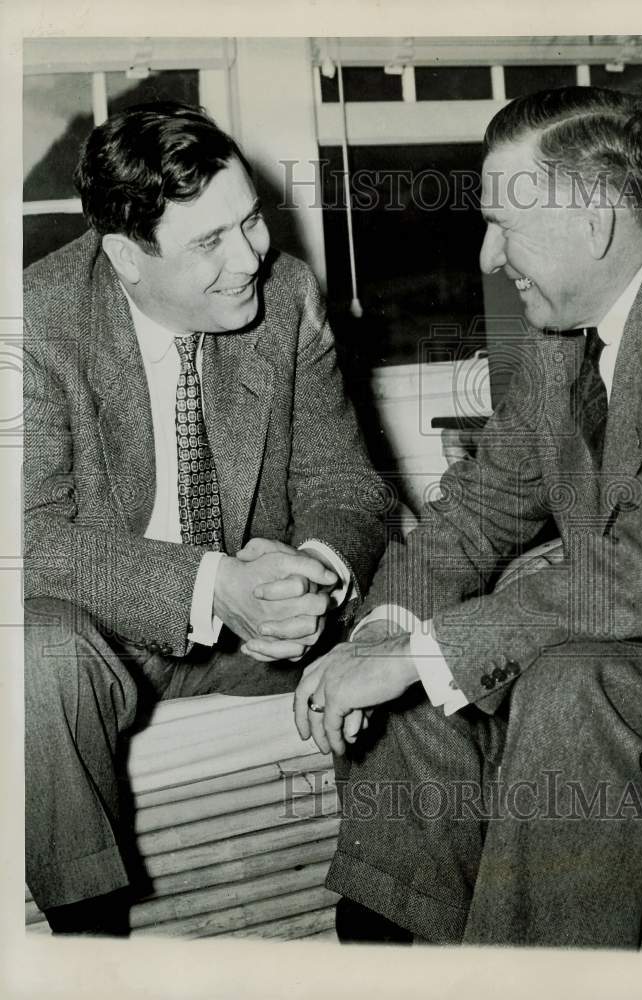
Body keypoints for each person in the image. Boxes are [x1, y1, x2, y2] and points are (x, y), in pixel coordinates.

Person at [292, 87, 642, 948]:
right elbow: (481, 509)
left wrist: (426, 653)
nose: (490, 257)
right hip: (615, 645)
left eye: (506, 224)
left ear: (596, 221)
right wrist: (387, 635)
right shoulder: (558, 339)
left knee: (570, 684)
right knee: (413, 685)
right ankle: (378, 955)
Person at [23, 102, 385, 935]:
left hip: (263, 639)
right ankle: (90, 951)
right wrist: (217, 587)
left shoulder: (289, 293)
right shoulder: (33, 323)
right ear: (124, 256)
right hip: (105, 643)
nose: (250, 258)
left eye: (250, 221)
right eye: (209, 242)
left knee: (420, 589)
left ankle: (386, 932)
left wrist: (311, 575)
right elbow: (25, 539)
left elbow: (346, 484)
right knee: (29, 645)